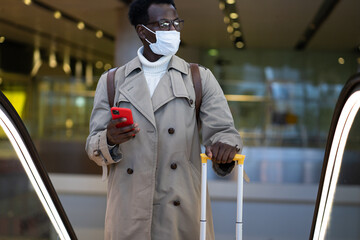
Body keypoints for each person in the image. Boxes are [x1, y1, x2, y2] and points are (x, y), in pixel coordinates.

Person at [85, 0, 243, 239]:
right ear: (142, 31)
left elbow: (224, 132)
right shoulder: (112, 81)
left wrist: (224, 150)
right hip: (128, 214)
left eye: (176, 23)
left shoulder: (199, 78)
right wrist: (108, 138)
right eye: (164, 24)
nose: (173, 31)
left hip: (182, 211)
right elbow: (93, 146)